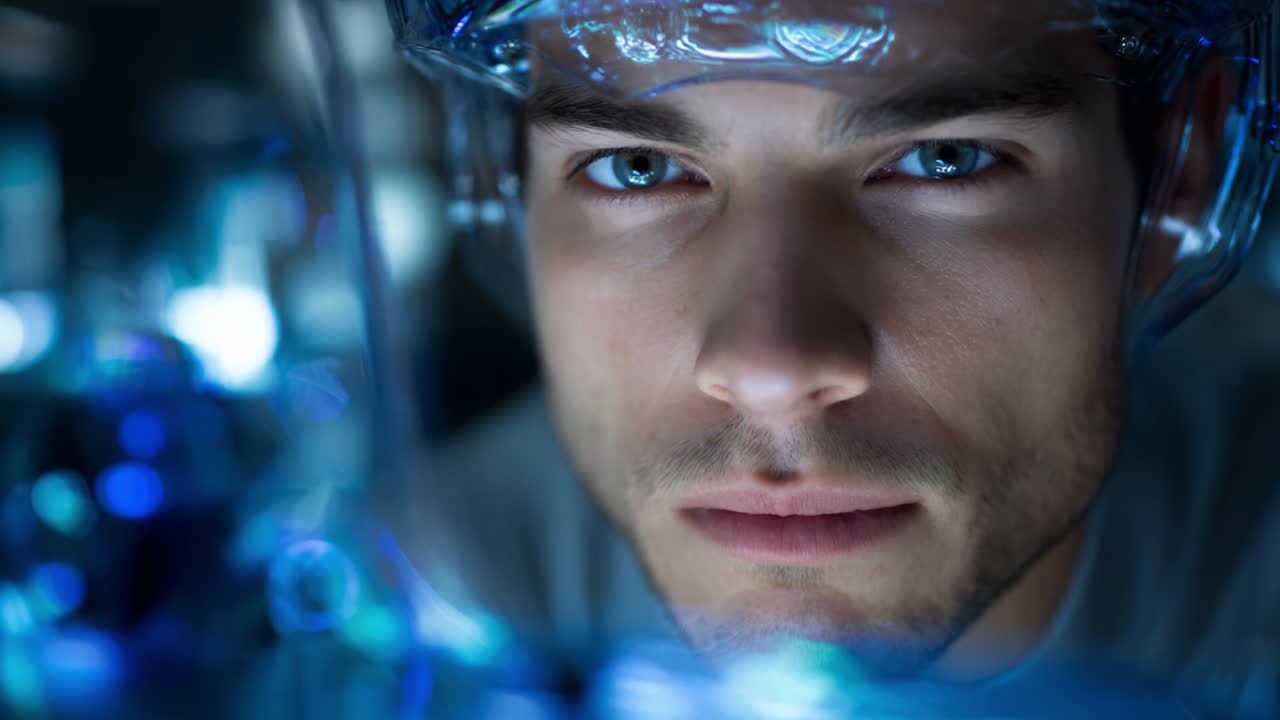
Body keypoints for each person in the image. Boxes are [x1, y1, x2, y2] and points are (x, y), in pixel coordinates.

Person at [377, 0, 1280, 715]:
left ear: (1181, 170)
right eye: (636, 169)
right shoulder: (388, 614)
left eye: (944, 159)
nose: (772, 370)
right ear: (513, 187)